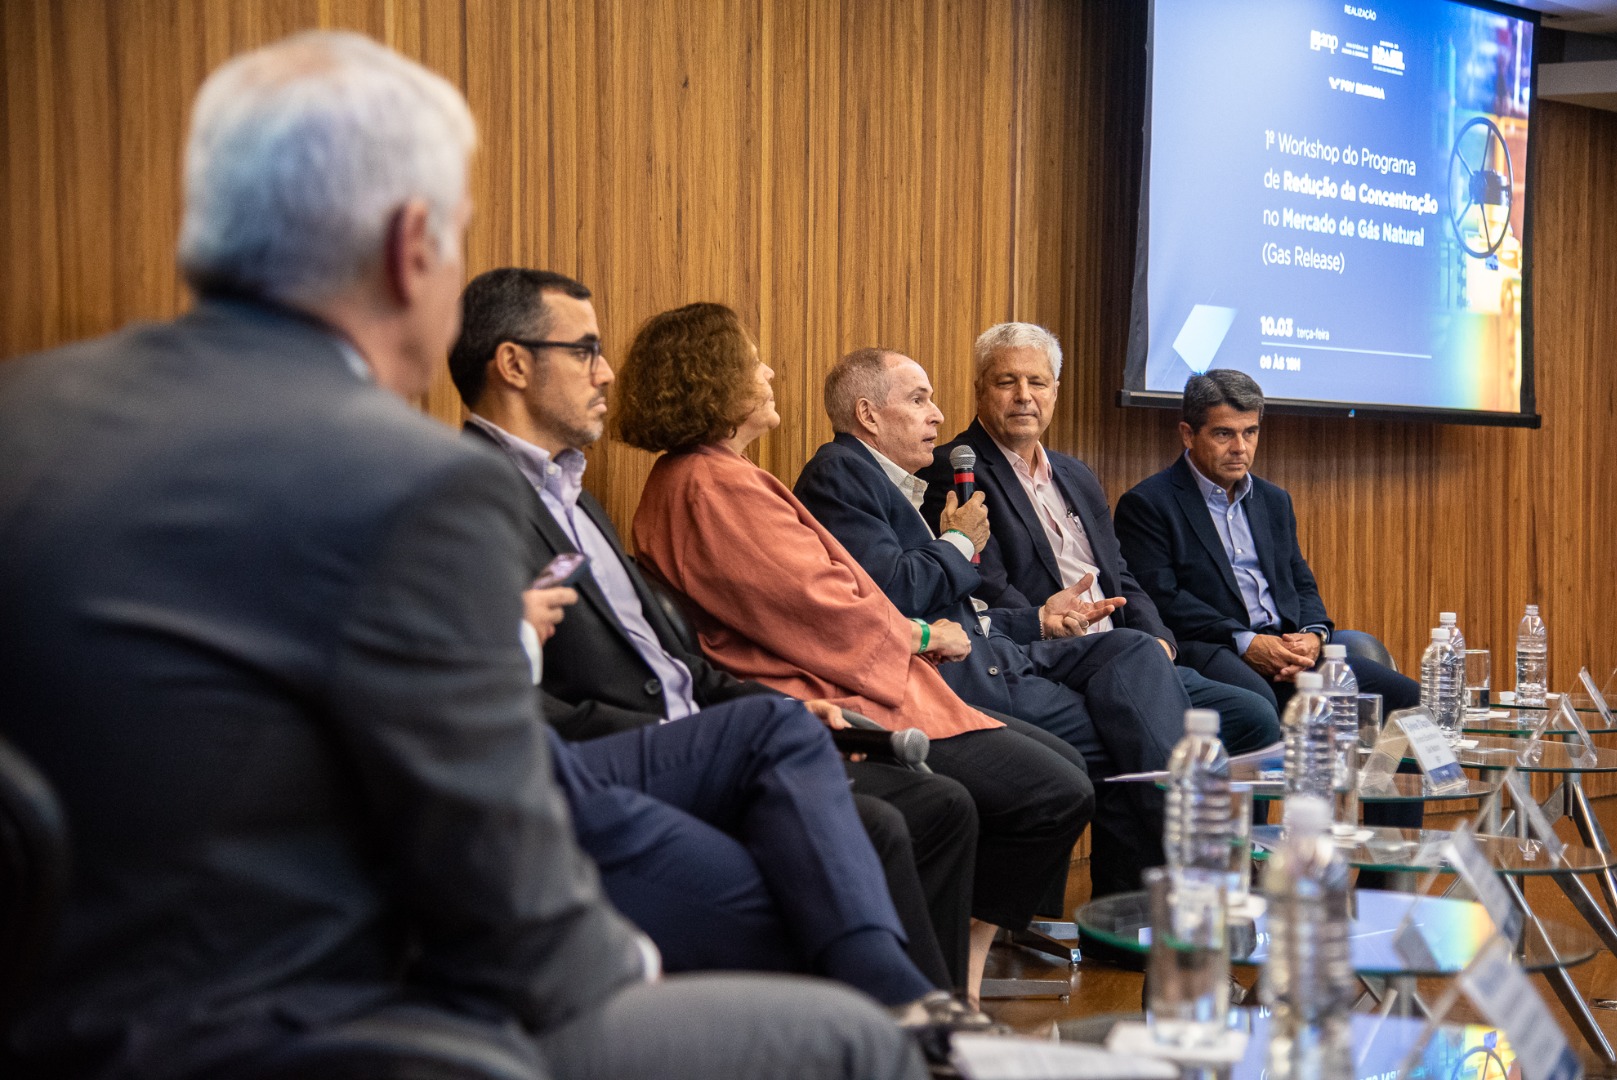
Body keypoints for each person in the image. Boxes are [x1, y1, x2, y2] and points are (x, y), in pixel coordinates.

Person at [0, 33, 925, 1080]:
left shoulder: (21, 413)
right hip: (305, 1025)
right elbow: (516, 912)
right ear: (410, 246)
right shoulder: (410, 481)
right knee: (845, 1026)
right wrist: (645, 953)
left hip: (43, 1017)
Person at [447, 267, 976, 994]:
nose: (606, 375)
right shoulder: (462, 498)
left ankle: (919, 1023)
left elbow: (678, 661)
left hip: (705, 733)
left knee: (927, 804)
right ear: (512, 364)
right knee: (884, 819)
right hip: (620, 757)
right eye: (585, 352)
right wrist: (709, 731)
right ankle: (901, 1015)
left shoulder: (574, 494)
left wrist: (771, 712)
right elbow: (484, 698)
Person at [614, 302, 1093, 1001]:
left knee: (1058, 771)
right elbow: (816, 608)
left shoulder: (720, 474)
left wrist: (916, 634)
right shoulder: (707, 483)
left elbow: (830, 593)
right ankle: (938, 984)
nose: (769, 371)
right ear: (712, 378)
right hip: (826, 689)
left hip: (863, 669)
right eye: (752, 361)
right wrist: (921, 635)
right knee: (1047, 790)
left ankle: (946, 977)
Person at [794, 347, 1193, 896]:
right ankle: (1174, 880)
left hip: (1000, 649)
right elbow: (897, 595)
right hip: (956, 680)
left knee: (1135, 649)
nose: (936, 414)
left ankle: (1157, 886)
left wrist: (1040, 619)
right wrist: (960, 541)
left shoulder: (892, 483)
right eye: (919, 399)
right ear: (868, 416)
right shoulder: (841, 475)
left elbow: (956, 606)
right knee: (1130, 736)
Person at [919, 324, 1281, 755]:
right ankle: (1174, 817)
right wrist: (1062, 627)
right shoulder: (957, 471)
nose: (1023, 395)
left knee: (1254, 715)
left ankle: (1231, 824)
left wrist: (1156, 636)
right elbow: (986, 588)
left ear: (1054, 390)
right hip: (1055, 657)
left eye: (1036, 382)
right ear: (980, 390)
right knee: (1155, 748)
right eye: (1006, 382)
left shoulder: (1076, 474)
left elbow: (1120, 573)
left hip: (1132, 650)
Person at [1113, 369, 1420, 714]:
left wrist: (1313, 635)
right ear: (1188, 434)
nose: (1240, 448)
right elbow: (1163, 600)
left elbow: (1299, 580)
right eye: (1224, 434)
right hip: (1216, 647)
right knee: (1261, 706)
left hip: (1288, 649)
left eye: (1250, 432)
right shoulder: (1148, 504)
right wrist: (1247, 642)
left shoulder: (1274, 500)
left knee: (1412, 699)